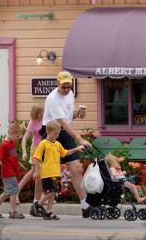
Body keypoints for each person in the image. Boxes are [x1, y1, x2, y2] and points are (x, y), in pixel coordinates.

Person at [38, 71, 92, 218]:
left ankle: (85, 205)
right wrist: (79, 138)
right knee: (49, 172)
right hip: (51, 132)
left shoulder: (70, 93)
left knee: (76, 169)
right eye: (64, 87)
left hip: (64, 131)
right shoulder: (52, 99)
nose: (67, 89)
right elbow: (61, 122)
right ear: (57, 84)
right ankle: (37, 204)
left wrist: (76, 114)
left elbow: (66, 117)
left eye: (69, 86)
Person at [33, 120, 86, 220]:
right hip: (47, 173)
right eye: (55, 134)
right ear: (48, 132)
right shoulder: (43, 143)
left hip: (55, 173)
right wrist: (37, 171)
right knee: (51, 192)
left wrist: (76, 149)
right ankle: (38, 204)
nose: (57, 136)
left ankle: (48, 212)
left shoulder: (57, 144)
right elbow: (37, 157)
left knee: (54, 193)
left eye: (58, 134)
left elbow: (65, 153)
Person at [0, 122, 25, 219]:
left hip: (13, 171)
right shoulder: (4, 145)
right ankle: (13, 211)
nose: (18, 138)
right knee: (13, 191)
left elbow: (12, 156)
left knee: (7, 192)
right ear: (11, 133)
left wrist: (19, 164)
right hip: (8, 172)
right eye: (17, 136)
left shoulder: (12, 143)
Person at [18, 102, 44, 211]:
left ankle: (44, 196)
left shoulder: (45, 119)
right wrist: (24, 152)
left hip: (45, 148)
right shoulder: (32, 123)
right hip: (36, 149)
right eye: (40, 112)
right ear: (36, 113)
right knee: (35, 172)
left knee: (42, 173)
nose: (42, 113)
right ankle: (16, 191)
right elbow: (25, 138)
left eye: (43, 111)